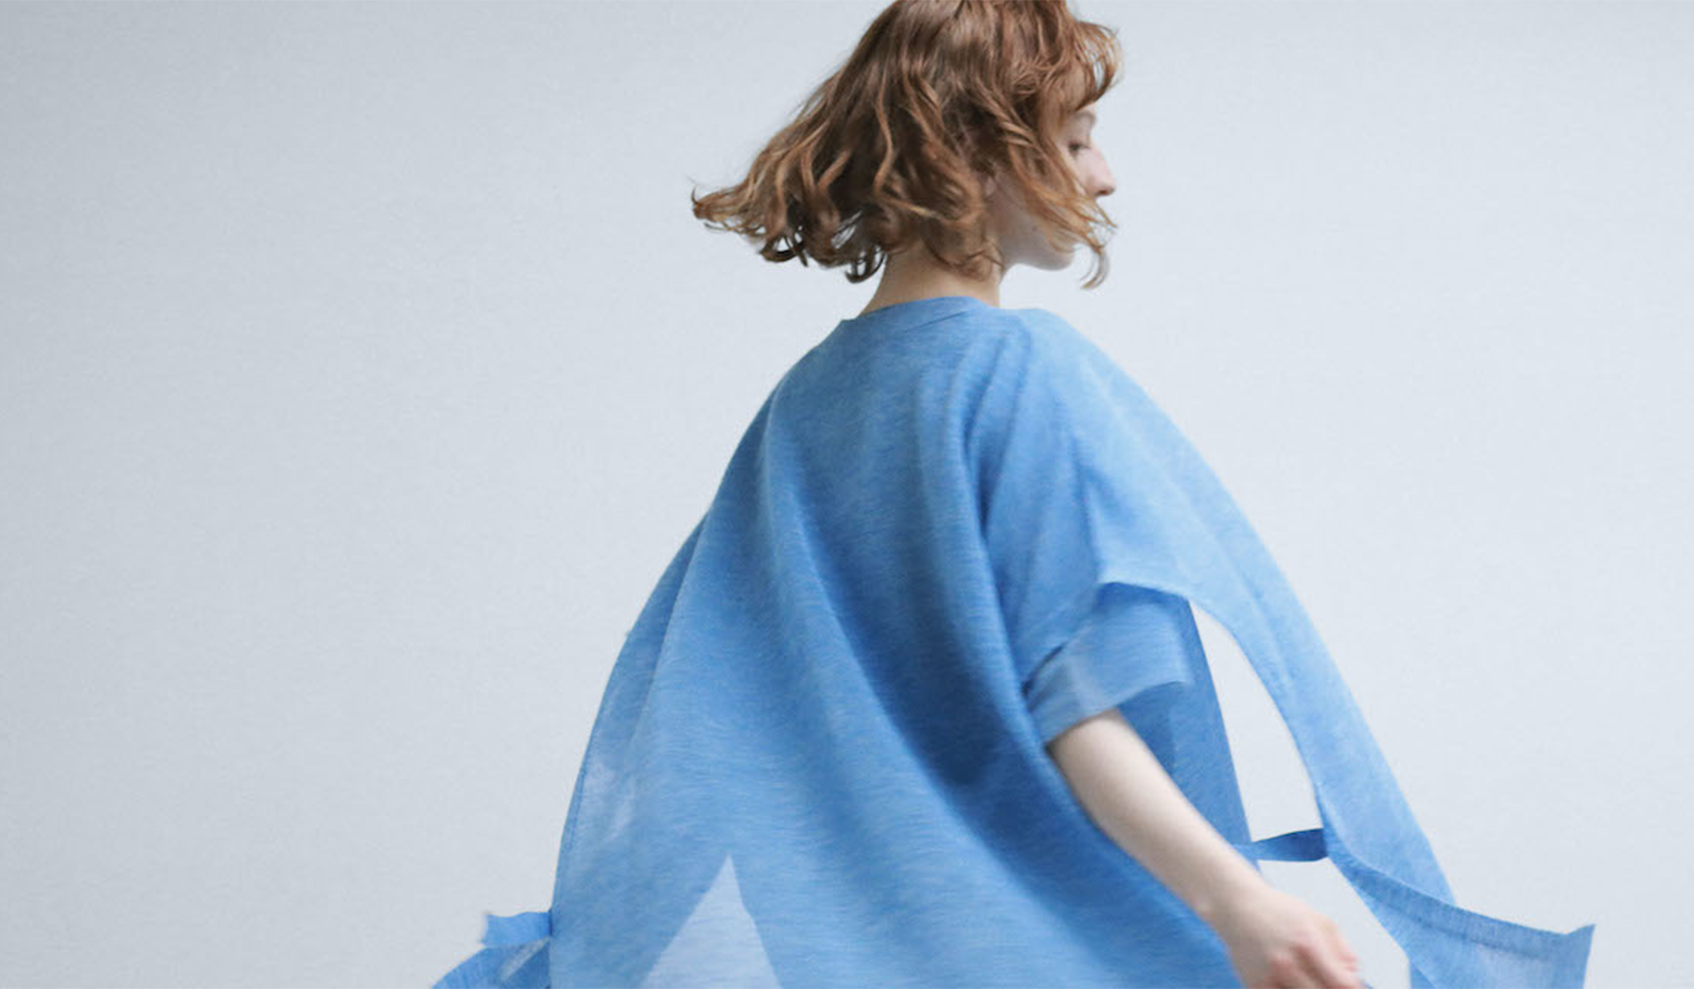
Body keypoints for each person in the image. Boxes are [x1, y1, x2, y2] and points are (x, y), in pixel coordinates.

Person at [435, 2, 1593, 987]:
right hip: (1030, 942)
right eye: (1074, 138)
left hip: (855, 945)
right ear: (972, 154)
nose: (1103, 174)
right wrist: (1237, 901)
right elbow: (1071, 694)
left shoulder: (807, 404)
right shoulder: (1009, 369)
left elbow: (715, 714)